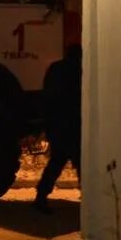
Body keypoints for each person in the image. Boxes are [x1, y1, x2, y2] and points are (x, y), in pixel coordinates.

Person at [35, 44, 82, 213]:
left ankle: (41, 197)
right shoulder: (80, 69)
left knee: (55, 163)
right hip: (76, 125)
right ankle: (89, 201)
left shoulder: (55, 69)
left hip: (58, 125)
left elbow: (47, 96)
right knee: (81, 164)